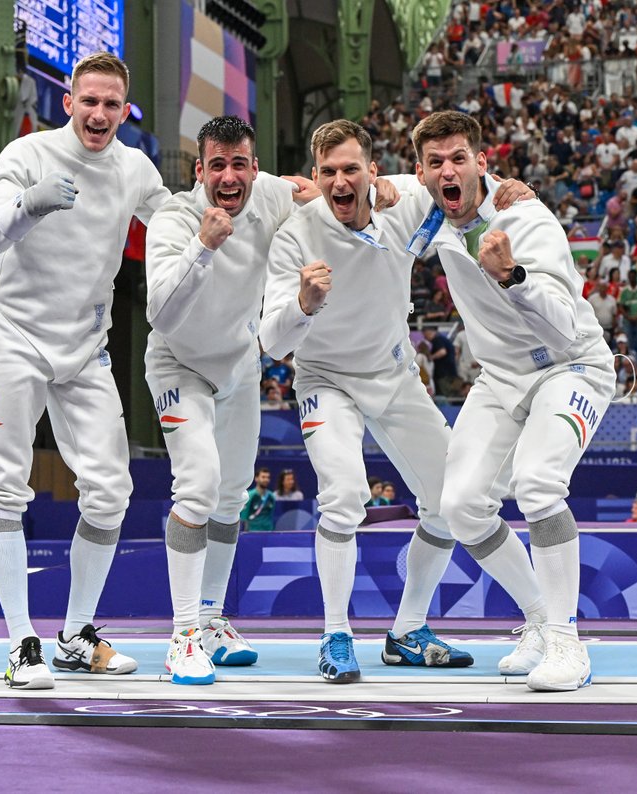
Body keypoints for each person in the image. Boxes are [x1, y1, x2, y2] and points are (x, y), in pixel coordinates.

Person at [260, 119, 492, 683]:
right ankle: (336, 635)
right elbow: (272, 341)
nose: (341, 182)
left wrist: (510, 188)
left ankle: (407, 631)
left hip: (393, 375)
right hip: (324, 381)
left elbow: (460, 177)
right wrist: (304, 303)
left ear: (373, 171)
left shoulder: (405, 199)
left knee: (453, 500)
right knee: (343, 495)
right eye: (329, 172)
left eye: (351, 170)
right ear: (315, 177)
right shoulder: (295, 235)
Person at [0, 52, 166, 689]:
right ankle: (22, 643)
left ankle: (76, 634)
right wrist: (28, 204)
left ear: (124, 112)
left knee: (110, 490)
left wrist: (269, 204)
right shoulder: (27, 156)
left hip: (84, 348)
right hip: (14, 339)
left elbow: (180, 221)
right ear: (69, 104)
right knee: (3, 487)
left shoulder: (134, 167)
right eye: (90, 102)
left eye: (112, 104)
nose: (100, 114)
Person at [406, 111, 617, 692]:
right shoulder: (427, 204)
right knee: (462, 506)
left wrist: (514, 275)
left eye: (458, 158)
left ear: (481, 160)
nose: (447, 171)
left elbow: (563, 325)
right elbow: (359, 185)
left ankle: (568, 644)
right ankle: (539, 622)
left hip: (573, 365)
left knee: (538, 484)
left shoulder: (525, 215)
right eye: (434, 162)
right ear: (421, 172)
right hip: (501, 376)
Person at [144, 115, 322, 684]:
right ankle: (182, 635)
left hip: (241, 365)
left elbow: (343, 192)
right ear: (199, 170)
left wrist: (391, 187)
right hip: (179, 364)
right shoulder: (174, 219)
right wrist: (202, 247)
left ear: (253, 166)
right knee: (196, 484)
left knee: (230, 496)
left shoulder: (272, 194)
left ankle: (213, 620)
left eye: (238, 164)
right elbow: (161, 314)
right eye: (216, 165)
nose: (228, 176)